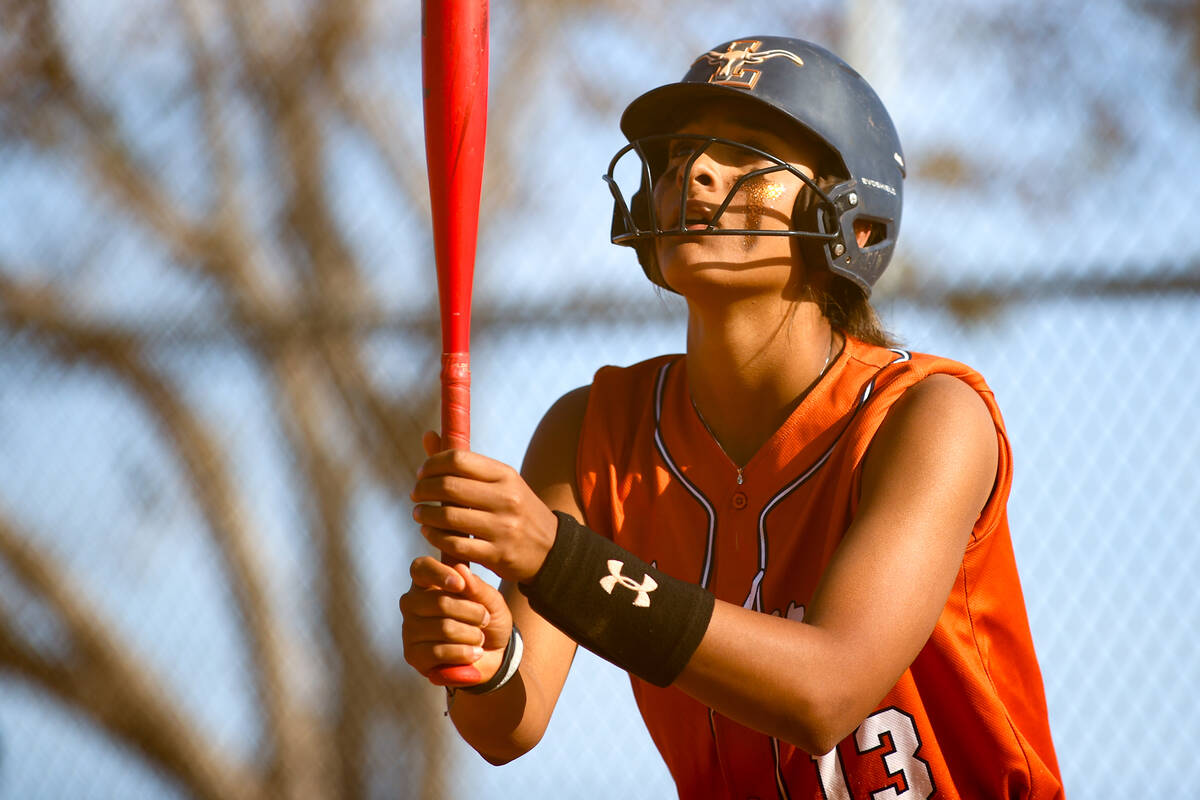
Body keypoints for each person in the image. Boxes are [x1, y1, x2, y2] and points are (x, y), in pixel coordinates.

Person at [401, 36, 1063, 799]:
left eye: (749, 152)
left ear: (858, 221)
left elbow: (826, 692)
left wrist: (556, 558)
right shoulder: (594, 431)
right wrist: (486, 663)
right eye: (681, 152)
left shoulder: (929, 418)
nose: (697, 171)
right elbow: (507, 729)